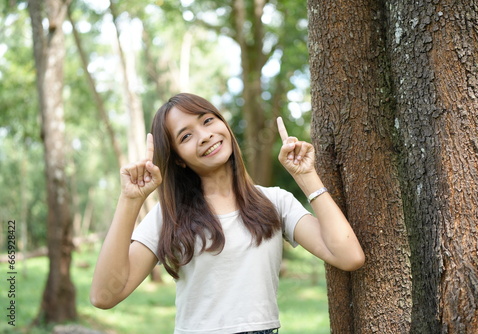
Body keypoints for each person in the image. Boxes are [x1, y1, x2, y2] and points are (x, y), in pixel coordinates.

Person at [90, 93, 365, 334]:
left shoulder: (275, 201)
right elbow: (104, 295)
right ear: (177, 159)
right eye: (186, 136)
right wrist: (130, 200)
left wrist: (306, 176)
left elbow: (349, 256)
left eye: (207, 120)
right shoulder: (169, 215)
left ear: (223, 123)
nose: (205, 135)